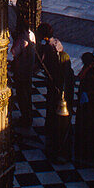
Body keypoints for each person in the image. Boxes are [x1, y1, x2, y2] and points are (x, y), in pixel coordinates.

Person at [37, 22, 64, 160]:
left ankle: (52, 132)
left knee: (52, 104)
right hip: (59, 79)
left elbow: (42, 61)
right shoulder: (57, 43)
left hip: (54, 79)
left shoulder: (48, 48)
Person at [74, 51, 94, 165]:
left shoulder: (93, 73)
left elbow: (86, 83)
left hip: (92, 104)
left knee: (91, 127)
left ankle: (90, 152)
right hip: (91, 103)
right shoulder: (92, 69)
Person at [11, 24, 36, 127]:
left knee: (22, 95)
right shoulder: (32, 35)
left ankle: (25, 117)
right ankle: (28, 116)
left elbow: (13, 52)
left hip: (21, 70)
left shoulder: (22, 40)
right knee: (27, 94)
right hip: (29, 69)